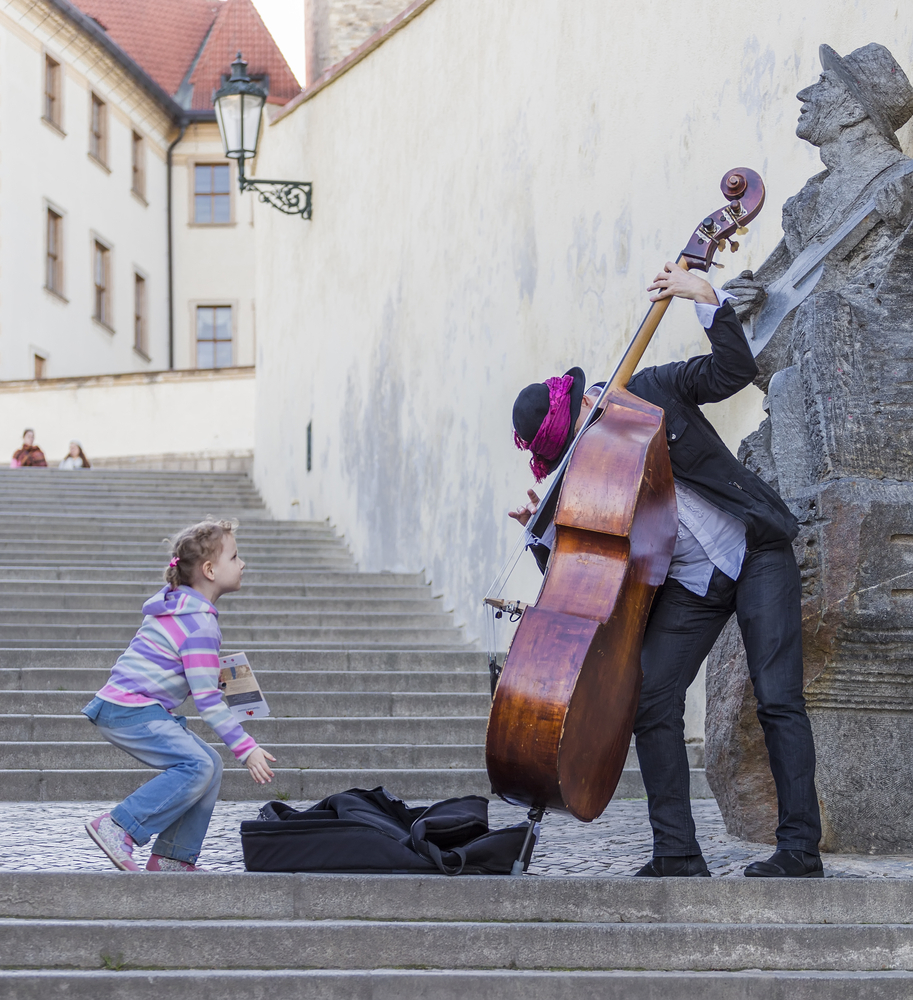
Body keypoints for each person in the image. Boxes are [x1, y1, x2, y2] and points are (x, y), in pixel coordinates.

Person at [509, 262, 822, 878]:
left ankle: (799, 851)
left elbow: (733, 372)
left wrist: (706, 299)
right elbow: (574, 575)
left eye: (575, 437)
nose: (576, 454)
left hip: (754, 549)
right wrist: (541, 529)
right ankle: (677, 853)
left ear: (587, 403)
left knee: (778, 698)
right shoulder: (579, 478)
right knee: (651, 698)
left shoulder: (650, 391)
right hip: (691, 584)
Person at [82, 519, 277, 872]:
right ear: (209, 570)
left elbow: (182, 670)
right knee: (198, 764)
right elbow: (207, 702)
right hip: (131, 709)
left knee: (209, 765)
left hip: (129, 705)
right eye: (234, 557)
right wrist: (246, 749)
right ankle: (118, 825)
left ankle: (173, 857)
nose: (242, 563)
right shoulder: (200, 623)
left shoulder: (179, 607)